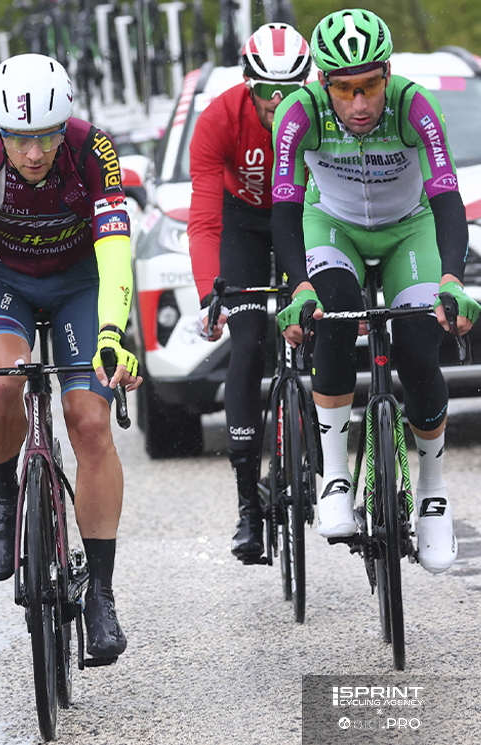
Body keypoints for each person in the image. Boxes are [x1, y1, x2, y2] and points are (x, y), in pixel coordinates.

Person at [0, 54, 141, 658]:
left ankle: (101, 594)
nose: (35, 152)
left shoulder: (93, 149)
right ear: (0, 131)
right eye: (21, 138)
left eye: (46, 136)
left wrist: (111, 333)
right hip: (4, 281)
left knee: (90, 421)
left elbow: (115, 253)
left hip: (79, 282)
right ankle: (3, 495)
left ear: (64, 126)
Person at [271, 8, 480, 573]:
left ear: (387, 74)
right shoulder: (298, 113)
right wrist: (300, 287)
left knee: (418, 345)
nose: (359, 103)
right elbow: (285, 207)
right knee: (334, 318)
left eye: (369, 85)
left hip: (409, 229)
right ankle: (335, 476)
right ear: (323, 83)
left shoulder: (414, 105)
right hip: (331, 226)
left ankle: (433, 490)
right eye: (344, 89)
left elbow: (446, 197)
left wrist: (452, 280)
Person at [188, 23, 311, 563]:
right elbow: (203, 219)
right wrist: (208, 293)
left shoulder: (320, 113)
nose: (277, 103)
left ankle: (318, 452)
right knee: (248, 338)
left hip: (301, 217)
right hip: (241, 223)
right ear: (247, 83)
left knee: (319, 323)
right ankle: (247, 506)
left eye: (289, 91)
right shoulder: (218, 118)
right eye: (266, 91)